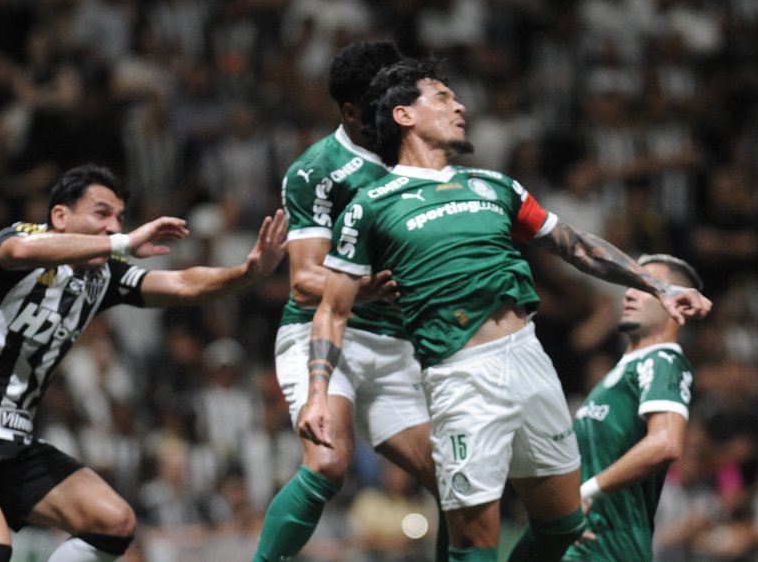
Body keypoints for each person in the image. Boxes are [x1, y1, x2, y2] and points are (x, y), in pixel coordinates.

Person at [297, 58, 713, 561]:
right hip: (463, 376)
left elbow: (575, 245)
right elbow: (332, 310)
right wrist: (318, 394)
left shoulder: (493, 186)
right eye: (444, 98)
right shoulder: (371, 205)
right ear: (404, 115)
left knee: (564, 524)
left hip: (532, 361)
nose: (460, 106)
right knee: (475, 544)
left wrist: (656, 285)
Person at [0, 164, 288, 562]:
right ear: (60, 216)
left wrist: (248, 272)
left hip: (11, 443)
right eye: (101, 213)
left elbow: (181, 284)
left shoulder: (101, 278)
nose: (113, 226)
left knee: (113, 521)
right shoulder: (22, 240)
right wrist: (120, 243)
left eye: (120, 218)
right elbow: (19, 252)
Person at [252, 41, 444, 562]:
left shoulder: (420, 155)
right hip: (324, 333)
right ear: (350, 110)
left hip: (396, 346)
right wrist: (365, 289)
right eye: (376, 104)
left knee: (458, 484)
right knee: (328, 464)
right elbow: (304, 280)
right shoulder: (317, 171)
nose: (390, 113)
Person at [564, 254, 702, 561]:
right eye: (629, 283)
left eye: (644, 285)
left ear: (676, 305)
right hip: (582, 546)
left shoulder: (663, 361)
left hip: (611, 551)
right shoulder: (619, 374)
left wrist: (586, 492)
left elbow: (665, 442)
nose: (628, 292)